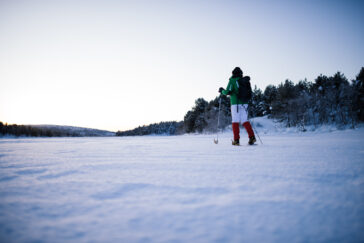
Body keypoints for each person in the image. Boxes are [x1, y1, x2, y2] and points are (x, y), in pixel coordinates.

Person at [219, 67, 256, 145]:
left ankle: (236, 140)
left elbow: (227, 92)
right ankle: (252, 137)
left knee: (235, 121)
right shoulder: (244, 81)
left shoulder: (232, 80)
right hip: (244, 103)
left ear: (233, 73)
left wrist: (221, 90)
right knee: (245, 121)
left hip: (235, 104)